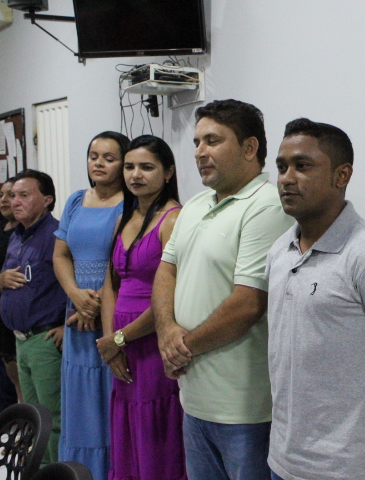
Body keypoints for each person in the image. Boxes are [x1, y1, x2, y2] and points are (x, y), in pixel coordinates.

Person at [267, 118, 365, 480]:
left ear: (342, 175)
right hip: (283, 461)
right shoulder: (279, 251)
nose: (287, 178)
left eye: (302, 166)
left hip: (350, 467)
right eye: (282, 167)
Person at [153, 99, 293, 480]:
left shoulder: (267, 205)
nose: (200, 152)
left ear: (249, 148)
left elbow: (248, 304)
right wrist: (166, 332)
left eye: (212, 141)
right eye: (197, 142)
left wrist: (180, 348)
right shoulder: (195, 205)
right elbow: (165, 271)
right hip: (194, 401)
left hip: (245, 410)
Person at [96, 135, 185, 480]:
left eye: (146, 167)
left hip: (152, 340)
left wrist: (120, 339)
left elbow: (170, 298)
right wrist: (111, 343)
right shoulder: (126, 216)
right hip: (121, 343)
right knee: (129, 429)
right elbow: (110, 284)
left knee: (155, 432)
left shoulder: (173, 219)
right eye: (130, 166)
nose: (135, 175)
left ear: (168, 172)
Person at [53, 131, 128, 480]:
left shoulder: (130, 204)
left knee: (108, 399)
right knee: (79, 406)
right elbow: (61, 255)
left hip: (111, 313)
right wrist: (76, 296)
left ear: (123, 163)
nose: (98, 163)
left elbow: (126, 262)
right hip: (76, 317)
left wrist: (97, 303)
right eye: (93, 156)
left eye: (109, 158)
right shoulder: (75, 201)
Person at [0, 169, 68, 465]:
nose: (15, 201)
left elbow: (76, 282)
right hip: (20, 341)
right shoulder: (15, 236)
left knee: (53, 419)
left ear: (47, 199)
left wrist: (67, 325)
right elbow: (8, 280)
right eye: (13, 195)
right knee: (33, 417)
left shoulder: (57, 236)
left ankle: (54, 472)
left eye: (24, 195)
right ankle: (37, 471)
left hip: (45, 338)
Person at [0, 179, 21, 406]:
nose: (4, 200)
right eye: (2, 195)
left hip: (21, 317)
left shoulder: (26, 232)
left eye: (11, 195)